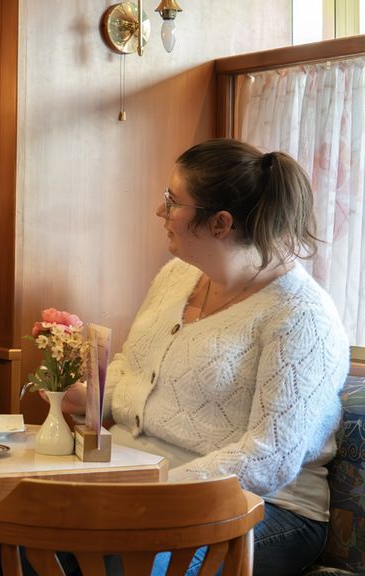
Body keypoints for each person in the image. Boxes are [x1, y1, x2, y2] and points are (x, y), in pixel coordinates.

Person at [51, 138, 348, 576]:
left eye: (173, 201)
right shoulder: (177, 276)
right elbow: (134, 366)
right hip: (144, 484)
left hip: (262, 507)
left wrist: (152, 493)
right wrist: (92, 399)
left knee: (118, 562)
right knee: (28, 533)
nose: (160, 211)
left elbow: (270, 458)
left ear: (220, 223)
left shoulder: (301, 317)